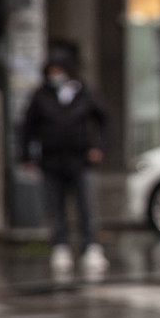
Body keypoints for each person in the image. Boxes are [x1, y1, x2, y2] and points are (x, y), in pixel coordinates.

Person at [20, 56, 110, 275]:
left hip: (80, 161)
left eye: (60, 69)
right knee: (55, 207)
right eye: (52, 70)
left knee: (86, 206)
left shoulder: (83, 92)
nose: (56, 74)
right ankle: (60, 247)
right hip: (51, 161)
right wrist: (26, 157)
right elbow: (26, 127)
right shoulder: (41, 95)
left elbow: (103, 119)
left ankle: (90, 246)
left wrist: (99, 146)